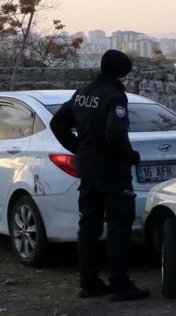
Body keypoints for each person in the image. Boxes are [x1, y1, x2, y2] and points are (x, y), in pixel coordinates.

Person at [50, 49, 150, 302]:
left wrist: (80, 149)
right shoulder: (115, 96)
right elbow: (116, 134)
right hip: (112, 171)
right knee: (119, 225)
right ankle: (119, 284)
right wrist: (129, 156)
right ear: (121, 72)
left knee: (89, 226)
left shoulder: (84, 93)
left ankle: (89, 282)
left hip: (88, 170)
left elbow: (58, 124)